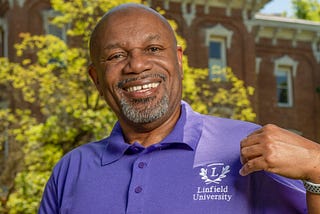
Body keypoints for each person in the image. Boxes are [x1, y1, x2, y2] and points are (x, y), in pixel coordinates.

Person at [38, 3, 320, 213]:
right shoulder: (70, 171)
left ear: (179, 61)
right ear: (96, 79)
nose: (136, 65)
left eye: (153, 49)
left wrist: (318, 169)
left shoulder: (250, 147)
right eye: (116, 55)